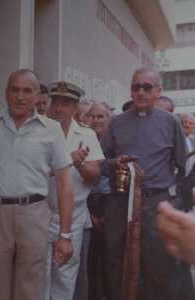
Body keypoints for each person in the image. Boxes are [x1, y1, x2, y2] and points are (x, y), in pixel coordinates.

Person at [0, 69, 74, 300]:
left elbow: (65, 184)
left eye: (27, 91)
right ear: (6, 93)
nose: (20, 96)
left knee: (31, 285)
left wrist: (65, 235)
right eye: (14, 90)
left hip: (34, 214)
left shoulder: (52, 129)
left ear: (38, 96)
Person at [100, 67, 191, 300]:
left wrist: (174, 203)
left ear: (158, 91)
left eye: (147, 87)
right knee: (116, 261)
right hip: (121, 201)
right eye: (136, 87)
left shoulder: (171, 122)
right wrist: (114, 164)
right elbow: (101, 163)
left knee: (158, 266)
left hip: (157, 203)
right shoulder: (117, 123)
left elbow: (183, 167)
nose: (140, 92)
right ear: (130, 91)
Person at [44, 81, 104, 300]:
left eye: (66, 103)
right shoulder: (39, 131)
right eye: (56, 103)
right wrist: (67, 160)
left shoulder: (86, 135)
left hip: (73, 217)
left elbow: (96, 176)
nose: (59, 108)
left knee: (65, 277)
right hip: (40, 213)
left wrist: (80, 164)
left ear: (75, 107)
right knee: (38, 275)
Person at [87, 102, 112, 300]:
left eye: (100, 116)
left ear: (108, 118)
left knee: (109, 260)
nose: (95, 120)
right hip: (88, 205)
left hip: (111, 205)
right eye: (92, 116)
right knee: (90, 259)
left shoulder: (116, 142)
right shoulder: (84, 141)